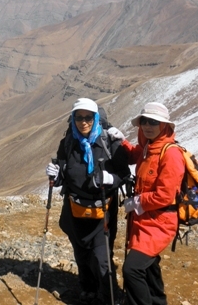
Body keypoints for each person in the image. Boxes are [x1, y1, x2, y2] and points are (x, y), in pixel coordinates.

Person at [46, 97, 130, 305]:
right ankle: (87, 288)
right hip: (75, 210)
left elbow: (124, 173)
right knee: (81, 252)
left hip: (103, 211)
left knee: (102, 259)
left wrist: (112, 179)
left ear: (96, 119)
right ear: (73, 119)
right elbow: (63, 174)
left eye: (88, 118)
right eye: (79, 117)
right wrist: (55, 177)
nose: (83, 122)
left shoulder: (110, 142)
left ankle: (110, 296)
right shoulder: (67, 143)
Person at [107, 102, 185, 305]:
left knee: (132, 269)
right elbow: (134, 155)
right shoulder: (147, 148)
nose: (148, 126)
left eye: (154, 122)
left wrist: (137, 201)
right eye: (144, 121)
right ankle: (158, 301)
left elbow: (165, 196)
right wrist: (122, 141)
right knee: (148, 266)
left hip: (160, 222)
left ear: (164, 126)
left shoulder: (171, 154)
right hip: (144, 219)